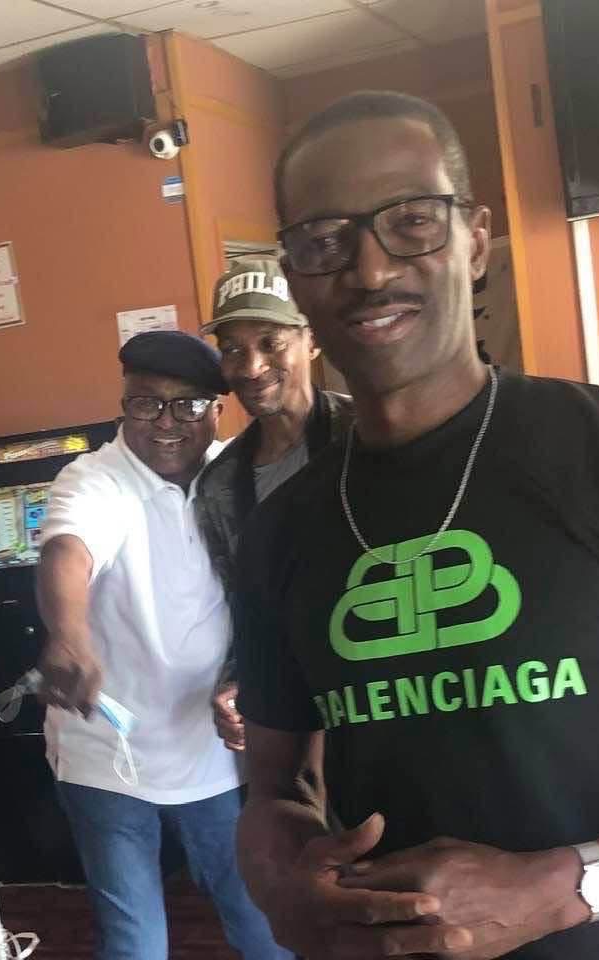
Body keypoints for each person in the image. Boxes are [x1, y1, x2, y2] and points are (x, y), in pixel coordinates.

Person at [232, 91, 599, 960]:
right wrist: (282, 885)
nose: (370, 271)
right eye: (325, 241)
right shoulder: (279, 533)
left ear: (475, 239)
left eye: (411, 221)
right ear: (294, 277)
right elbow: (274, 789)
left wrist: (564, 888)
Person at [35, 330, 288, 960]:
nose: (166, 423)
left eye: (188, 405)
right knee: (135, 941)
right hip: (106, 755)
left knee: (262, 925)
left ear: (217, 411)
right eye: (146, 403)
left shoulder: (240, 477)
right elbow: (68, 548)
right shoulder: (93, 478)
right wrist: (68, 635)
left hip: (213, 754)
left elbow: (269, 598)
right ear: (125, 404)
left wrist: (246, 680)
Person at [196, 256, 353, 751]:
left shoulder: (368, 436)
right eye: (232, 350)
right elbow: (246, 610)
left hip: (380, 701)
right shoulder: (220, 484)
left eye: (271, 342)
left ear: (312, 339)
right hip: (291, 723)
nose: (252, 367)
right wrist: (239, 683)